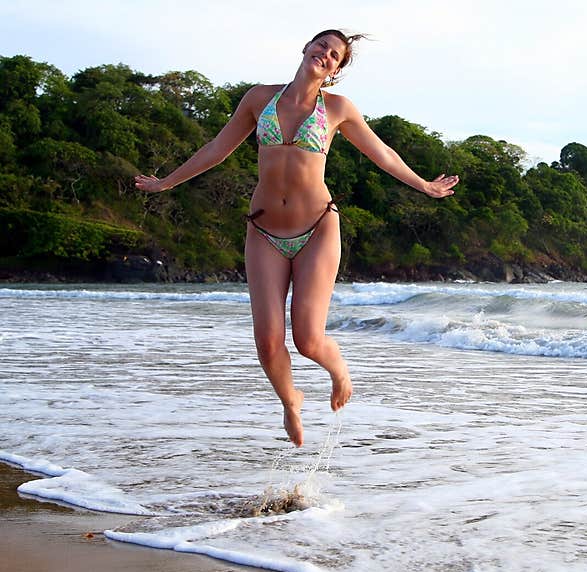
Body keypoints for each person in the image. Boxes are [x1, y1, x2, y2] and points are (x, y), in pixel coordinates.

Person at [135, 29, 459, 447]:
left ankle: (338, 369)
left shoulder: (338, 109)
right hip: (265, 229)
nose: (325, 55)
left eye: (335, 55)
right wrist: (167, 183)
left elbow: (383, 154)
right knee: (268, 342)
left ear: (336, 71)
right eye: (321, 46)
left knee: (307, 338)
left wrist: (424, 186)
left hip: (317, 228)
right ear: (306, 48)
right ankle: (291, 401)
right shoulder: (259, 99)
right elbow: (217, 147)